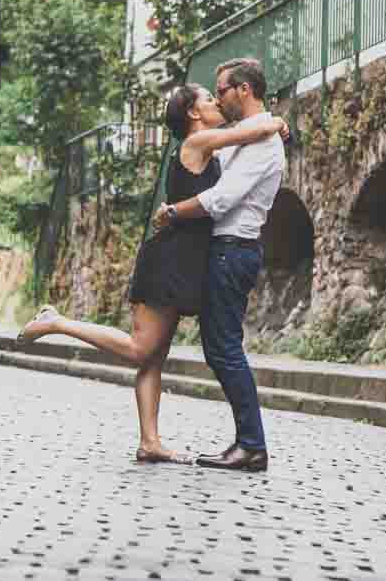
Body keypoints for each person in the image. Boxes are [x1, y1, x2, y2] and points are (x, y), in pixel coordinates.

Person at [18, 84, 288, 464]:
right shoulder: (198, 143)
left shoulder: (210, 149)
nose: (216, 102)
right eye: (208, 99)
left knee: (154, 357)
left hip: (186, 261)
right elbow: (251, 132)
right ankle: (57, 322)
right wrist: (276, 123)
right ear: (193, 113)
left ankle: (150, 442)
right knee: (140, 349)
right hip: (170, 261)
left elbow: (238, 151)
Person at [152, 58, 285, 472]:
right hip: (225, 250)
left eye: (222, 90)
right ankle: (248, 442)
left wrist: (173, 212)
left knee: (224, 348)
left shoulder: (263, 142)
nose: (219, 98)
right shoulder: (248, 134)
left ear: (243, 90)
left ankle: (252, 445)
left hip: (234, 250)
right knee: (218, 348)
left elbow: (221, 199)